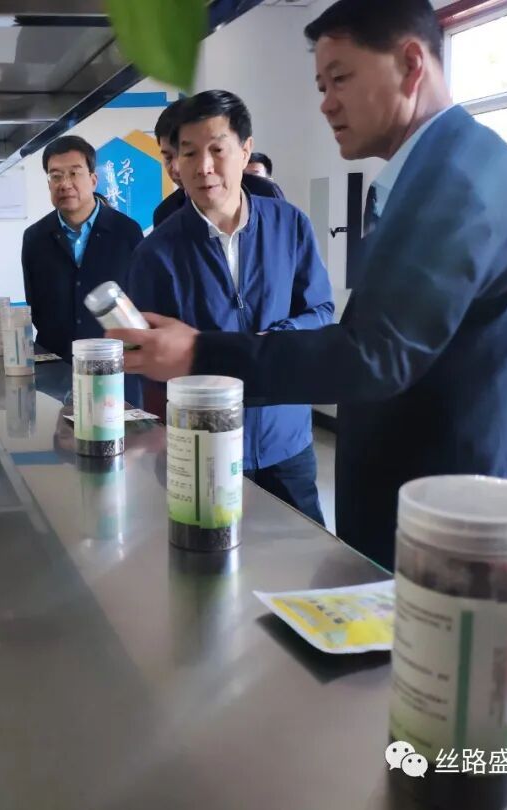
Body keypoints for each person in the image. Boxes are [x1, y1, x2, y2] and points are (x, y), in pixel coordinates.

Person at [109, 0, 507, 570]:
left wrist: (201, 352)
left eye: (341, 79)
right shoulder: (430, 173)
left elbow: (374, 354)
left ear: (410, 64)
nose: (326, 103)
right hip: (425, 500)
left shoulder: (455, 180)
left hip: (462, 514)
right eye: (321, 85)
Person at [129, 90, 334, 525]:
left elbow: (320, 309)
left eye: (217, 150)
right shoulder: (155, 253)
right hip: (205, 445)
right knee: (211, 555)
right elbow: (147, 356)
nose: (203, 167)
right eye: (189, 153)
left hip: (286, 438)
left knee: (303, 549)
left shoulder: (289, 224)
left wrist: (270, 342)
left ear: (244, 151)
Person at [22, 135, 145, 404]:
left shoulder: (127, 233)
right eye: (56, 176)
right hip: (56, 379)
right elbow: (36, 307)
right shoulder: (35, 238)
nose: (65, 184)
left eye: (74, 173)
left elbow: (141, 301)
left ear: (93, 179)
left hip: (117, 373)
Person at [153, 105, 284, 228]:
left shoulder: (264, 192)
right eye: (168, 157)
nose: (176, 168)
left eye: (188, 153)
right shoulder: (165, 213)